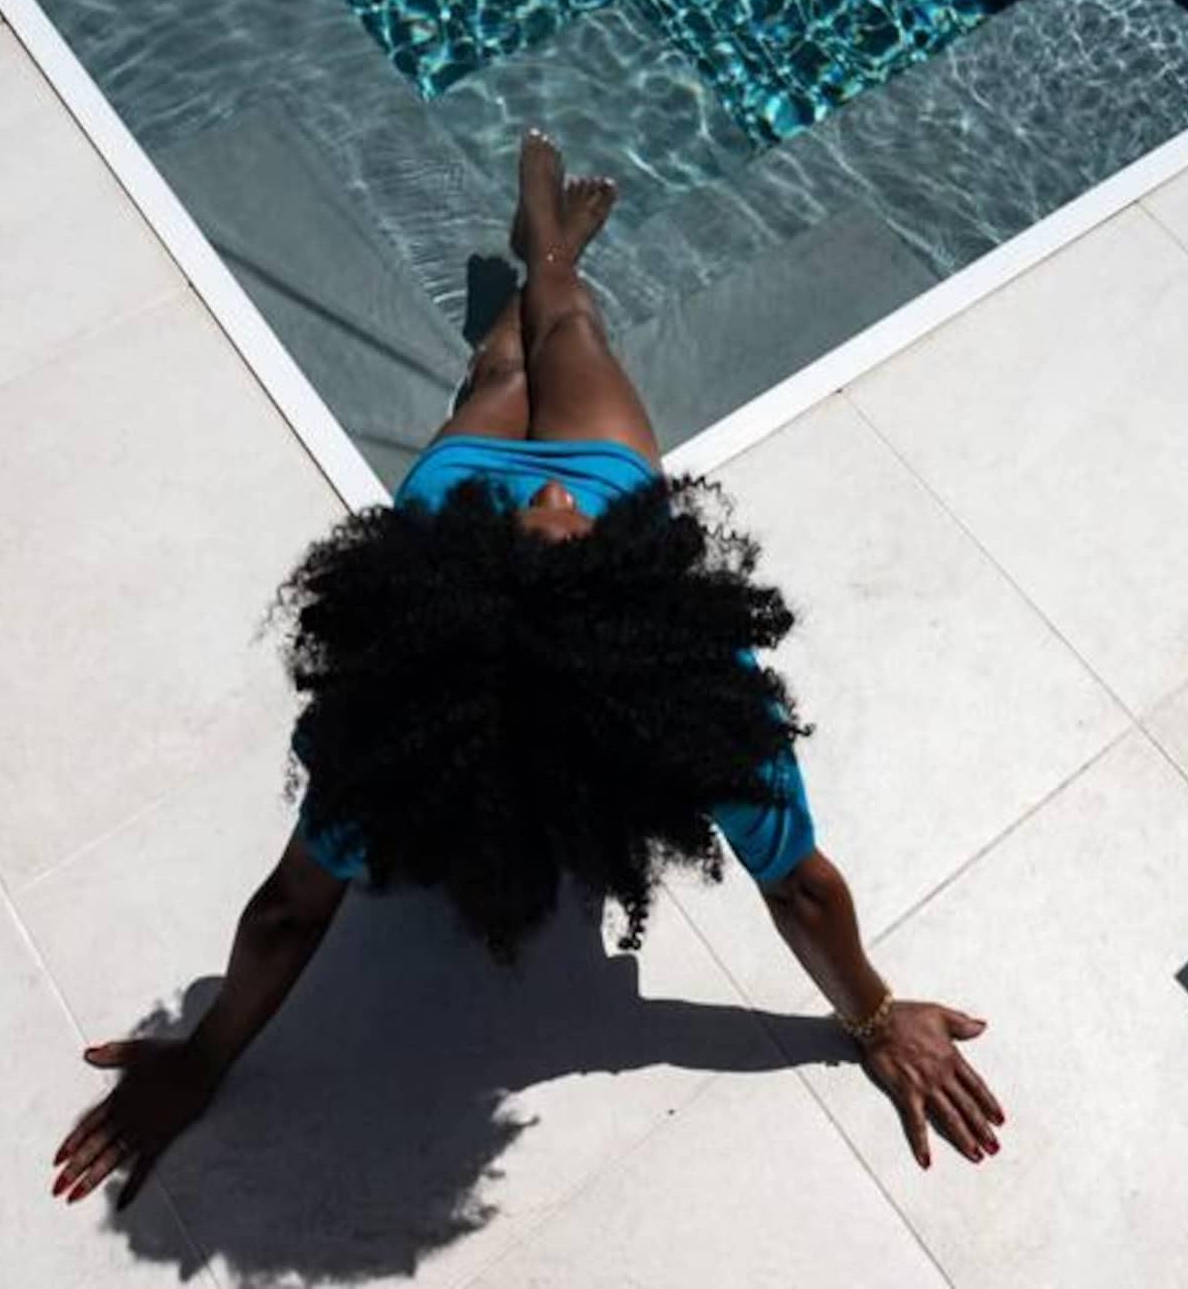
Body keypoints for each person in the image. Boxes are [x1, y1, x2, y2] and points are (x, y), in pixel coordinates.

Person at [51, 130, 1005, 1210]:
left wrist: (207, 1053)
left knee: (509, 365)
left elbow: (287, 912)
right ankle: (548, 250)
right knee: (565, 334)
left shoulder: (410, 710)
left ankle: (544, 241)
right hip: (610, 468)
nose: (549, 495)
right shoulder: (688, 683)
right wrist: (872, 1017)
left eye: (544, 518)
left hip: (453, 489)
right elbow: (798, 884)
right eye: (561, 524)